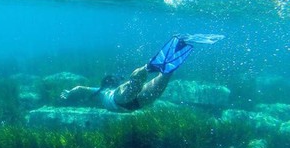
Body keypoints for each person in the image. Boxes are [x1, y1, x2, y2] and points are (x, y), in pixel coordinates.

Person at [60, 34, 224, 112]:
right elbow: (81, 88)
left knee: (138, 84)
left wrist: (69, 93)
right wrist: (70, 92)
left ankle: (150, 67)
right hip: (133, 103)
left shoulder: (105, 92)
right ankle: (171, 53)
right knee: (163, 75)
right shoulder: (101, 90)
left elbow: (80, 89)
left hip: (122, 102)